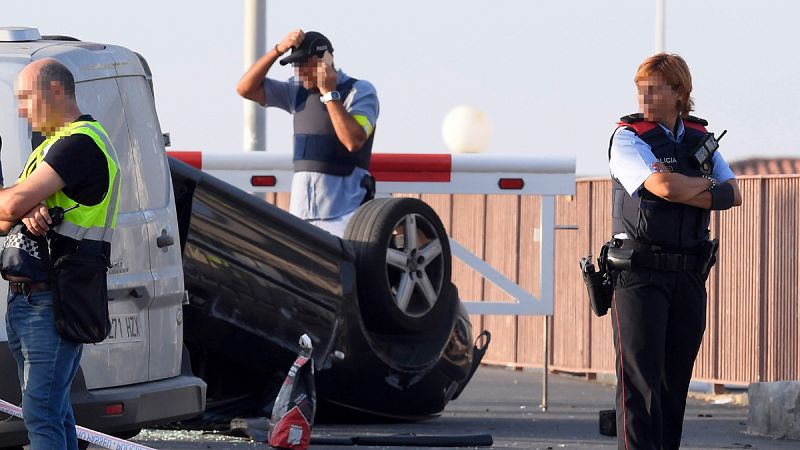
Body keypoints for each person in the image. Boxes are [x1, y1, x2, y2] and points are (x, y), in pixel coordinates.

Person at [607, 53, 742, 450]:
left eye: (654, 89)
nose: (643, 96)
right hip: (639, 274)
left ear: (680, 92)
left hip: (688, 274)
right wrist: (700, 188)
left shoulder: (702, 138)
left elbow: (734, 194)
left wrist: (680, 186)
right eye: (639, 89)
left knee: (673, 385)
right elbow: (663, 189)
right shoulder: (628, 137)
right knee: (639, 386)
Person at [0, 58, 120, 450]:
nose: (20, 109)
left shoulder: (80, 143)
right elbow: (8, 215)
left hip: (51, 300)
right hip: (29, 300)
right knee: (54, 413)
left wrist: (19, 203)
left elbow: (7, 207)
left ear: (54, 90)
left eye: (25, 97)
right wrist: (22, 205)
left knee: (41, 415)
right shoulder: (50, 148)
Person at [236, 30, 379, 237]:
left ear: (324, 61)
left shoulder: (360, 91)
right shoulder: (297, 91)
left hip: (346, 216)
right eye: (295, 65)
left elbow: (353, 141)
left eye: (303, 65)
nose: (298, 72)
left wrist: (329, 94)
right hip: (302, 216)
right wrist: (277, 50)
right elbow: (245, 88)